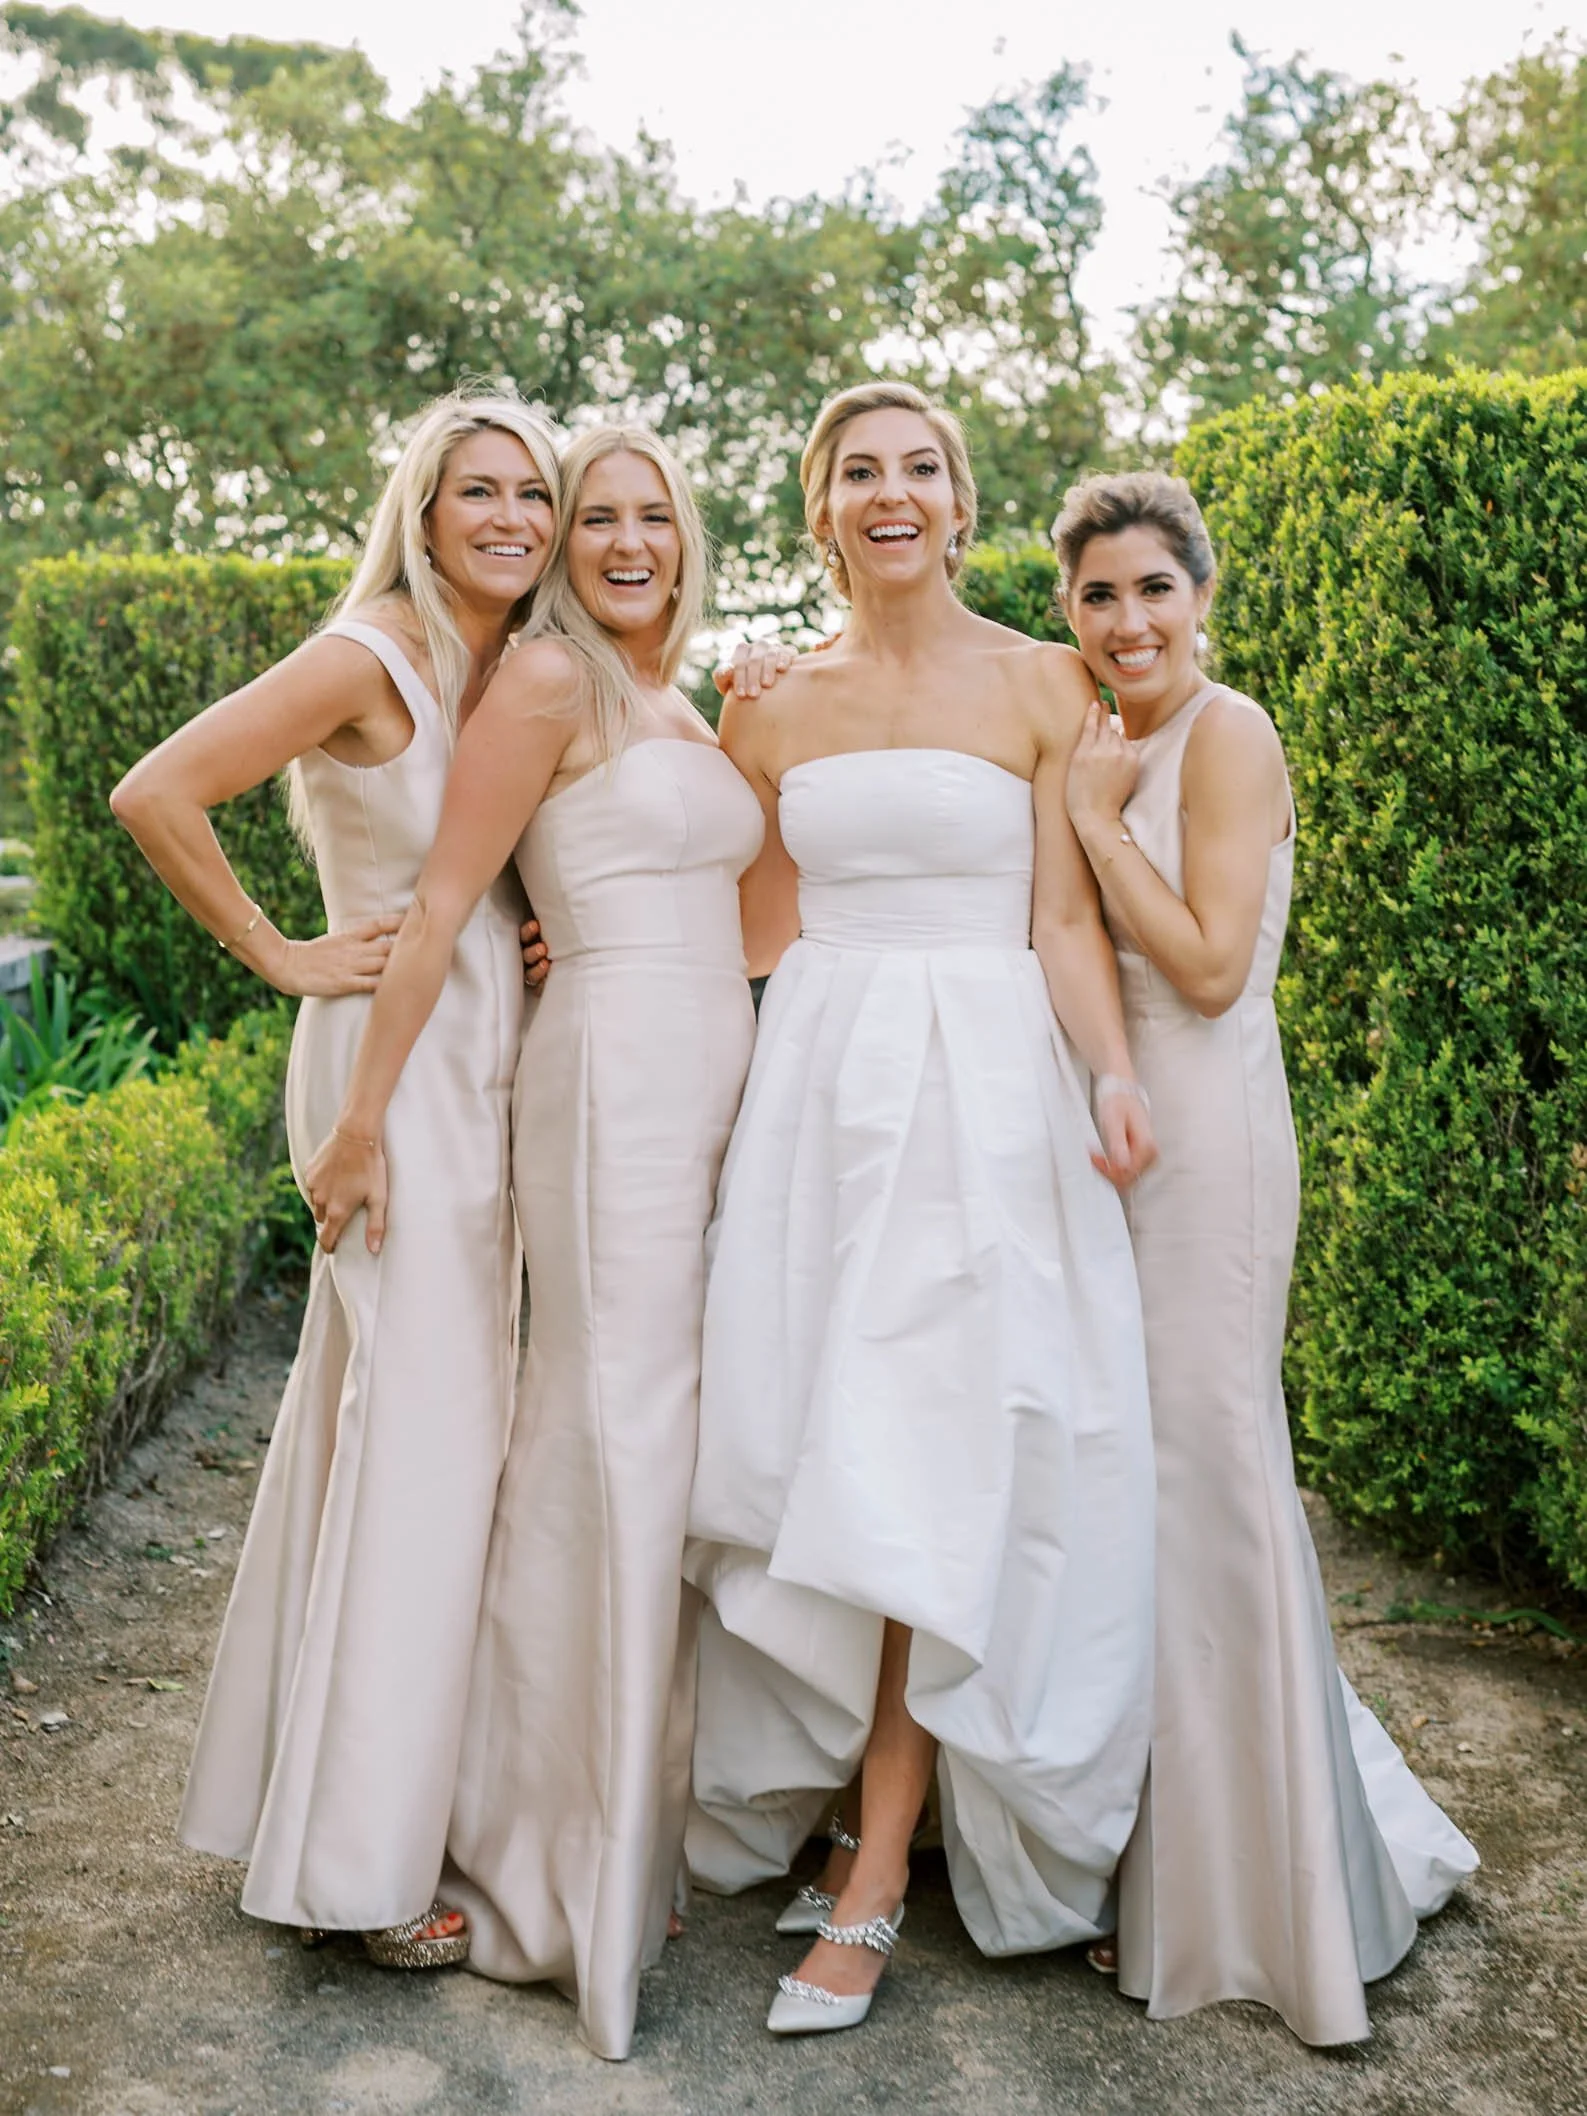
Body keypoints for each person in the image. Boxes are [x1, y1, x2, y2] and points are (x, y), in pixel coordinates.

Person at [683, 381, 1158, 2037]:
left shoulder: (1045, 677)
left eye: (921, 471)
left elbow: (1066, 918)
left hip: (982, 1091)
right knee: (832, 1436)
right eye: (856, 474)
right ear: (817, 511)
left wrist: (1105, 1075)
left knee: (929, 1448)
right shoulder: (766, 705)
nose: (891, 494)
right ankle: (849, 1812)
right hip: (817, 1093)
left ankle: (879, 1864)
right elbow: (740, 929)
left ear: (961, 504)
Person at [304, 424, 763, 2059]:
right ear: (563, 547)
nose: (627, 542)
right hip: (612, 1093)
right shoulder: (551, 687)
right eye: (599, 519)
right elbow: (441, 898)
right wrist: (359, 1118)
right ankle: (534, 1848)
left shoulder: (690, 706)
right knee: (601, 1429)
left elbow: (752, 920)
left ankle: (625, 1820)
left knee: (668, 1433)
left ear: (688, 539)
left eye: (655, 518)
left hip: (718, 1078)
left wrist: (764, 745)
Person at [110, 388, 558, 1964]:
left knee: (412, 1426)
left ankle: (302, 1798)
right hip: (392, 1065)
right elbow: (156, 789)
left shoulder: (510, 664)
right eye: (477, 491)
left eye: (532, 495)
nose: (510, 517)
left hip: (492, 1046)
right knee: (426, 1435)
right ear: (423, 510)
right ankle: (359, 1871)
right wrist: (283, 954)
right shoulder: (367, 654)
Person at [1057, 470, 1478, 2045]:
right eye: (1098, 595)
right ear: (1069, 612)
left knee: (1214, 1477)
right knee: (1140, 1492)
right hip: (1109, 1139)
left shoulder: (1222, 735)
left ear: (1200, 600)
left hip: (1211, 1139)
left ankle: (1262, 1889)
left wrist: (1097, 830)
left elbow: (1217, 969)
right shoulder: (1097, 736)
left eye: (1152, 589)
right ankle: (1163, 1847)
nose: (1127, 621)